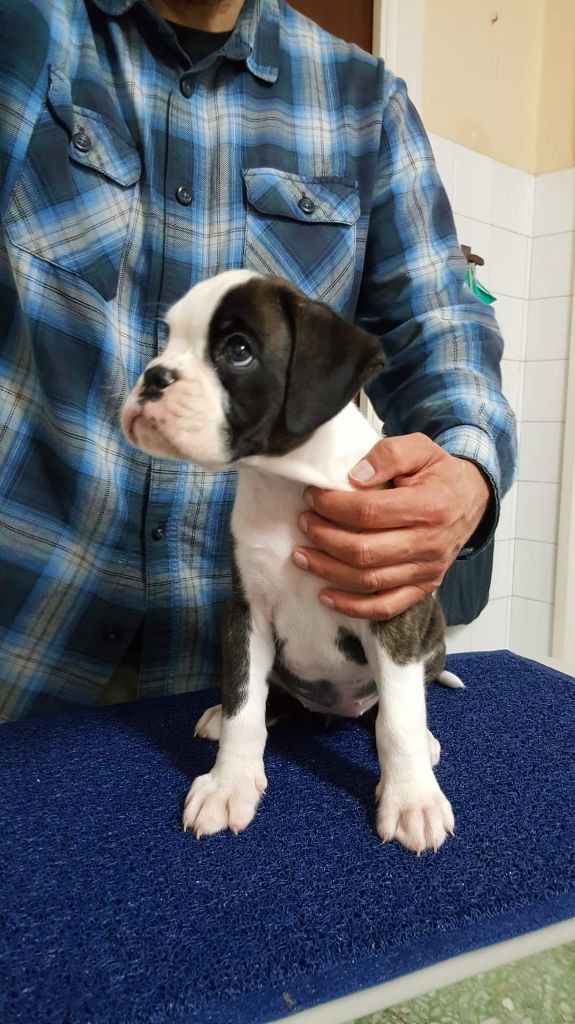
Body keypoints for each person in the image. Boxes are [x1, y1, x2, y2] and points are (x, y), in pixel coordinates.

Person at [0, 0, 516, 722]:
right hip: (26, 630)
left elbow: (442, 328)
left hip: (265, 681)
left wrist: (466, 472)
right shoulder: (29, 27)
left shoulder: (366, 103)